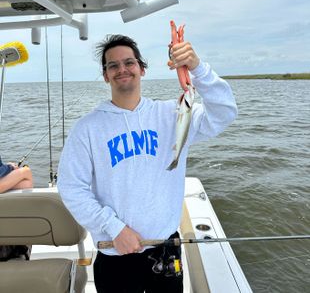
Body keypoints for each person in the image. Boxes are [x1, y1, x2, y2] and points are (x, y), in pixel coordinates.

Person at [57, 34, 238, 293]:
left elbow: (225, 112)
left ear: (142, 69)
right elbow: (72, 188)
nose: (122, 69)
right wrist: (115, 228)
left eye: (129, 62)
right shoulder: (87, 129)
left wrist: (197, 67)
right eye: (113, 65)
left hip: (166, 251)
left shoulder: (174, 114)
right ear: (106, 76)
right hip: (115, 255)